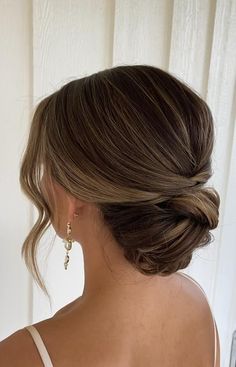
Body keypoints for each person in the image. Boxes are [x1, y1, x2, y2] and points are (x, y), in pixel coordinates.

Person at [0, 64, 220, 366]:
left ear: (74, 197)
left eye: (47, 167)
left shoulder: (20, 356)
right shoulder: (197, 305)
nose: (42, 183)